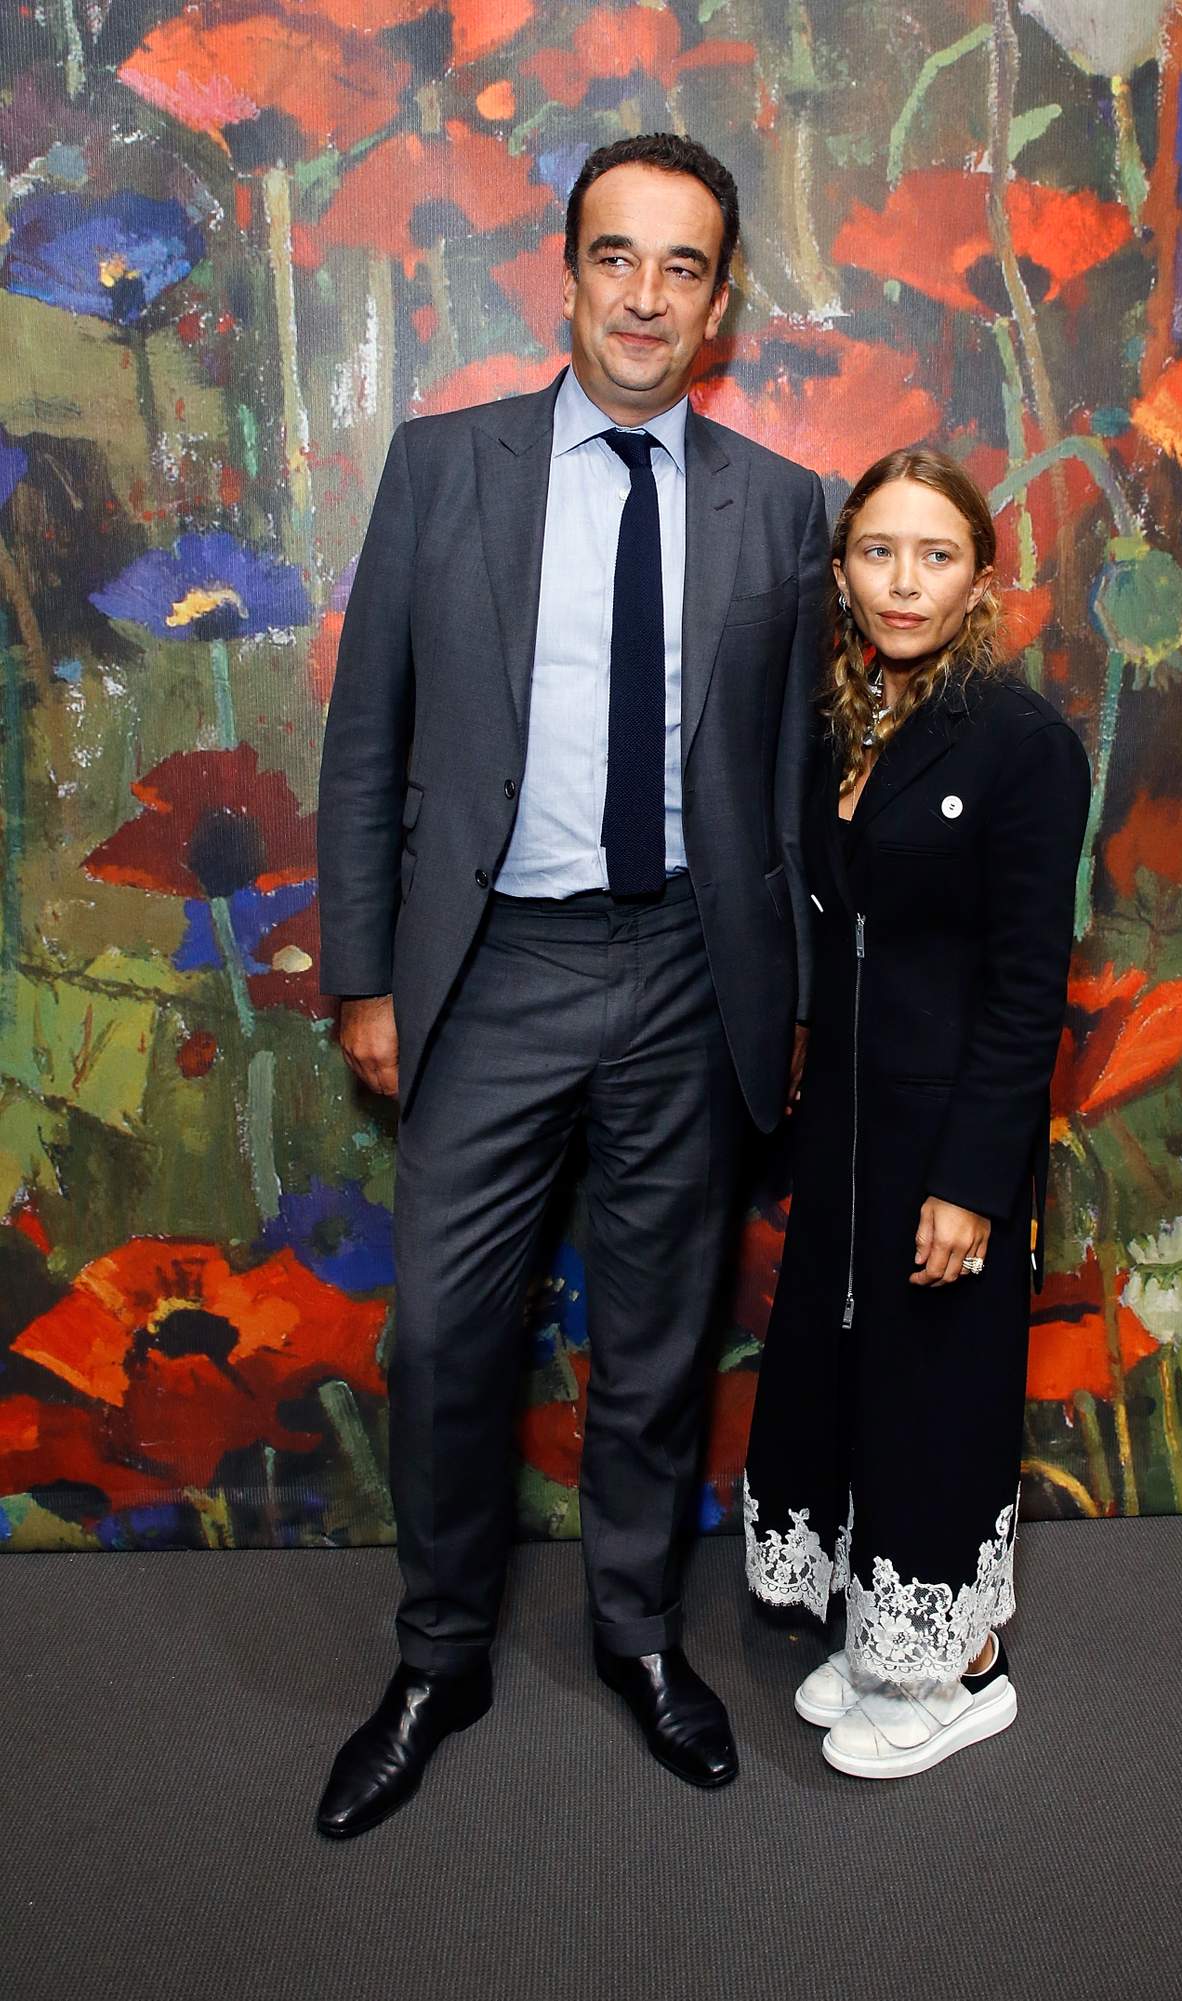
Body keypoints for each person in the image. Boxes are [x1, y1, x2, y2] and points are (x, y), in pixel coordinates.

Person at [314, 133, 827, 1838]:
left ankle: (636, 1632)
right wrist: (367, 977)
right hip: (492, 972)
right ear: (567, 273)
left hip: (689, 971)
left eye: (684, 268)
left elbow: (785, 780)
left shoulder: (779, 504)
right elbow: (367, 740)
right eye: (619, 256)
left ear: (722, 301)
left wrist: (787, 998)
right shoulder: (441, 466)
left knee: (660, 1341)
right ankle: (438, 1655)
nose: (646, 297)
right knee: (444, 1336)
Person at [743, 449, 1090, 1780]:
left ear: (980, 578)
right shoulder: (844, 723)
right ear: (842, 572)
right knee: (857, 1385)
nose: (904, 582)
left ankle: (964, 1669)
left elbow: (1028, 987)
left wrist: (973, 1179)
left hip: (949, 1135)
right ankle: (897, 1632)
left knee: (939, 1397)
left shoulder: (1022, 744)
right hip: (847, 1129)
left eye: (935, 555)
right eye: (878, 552)